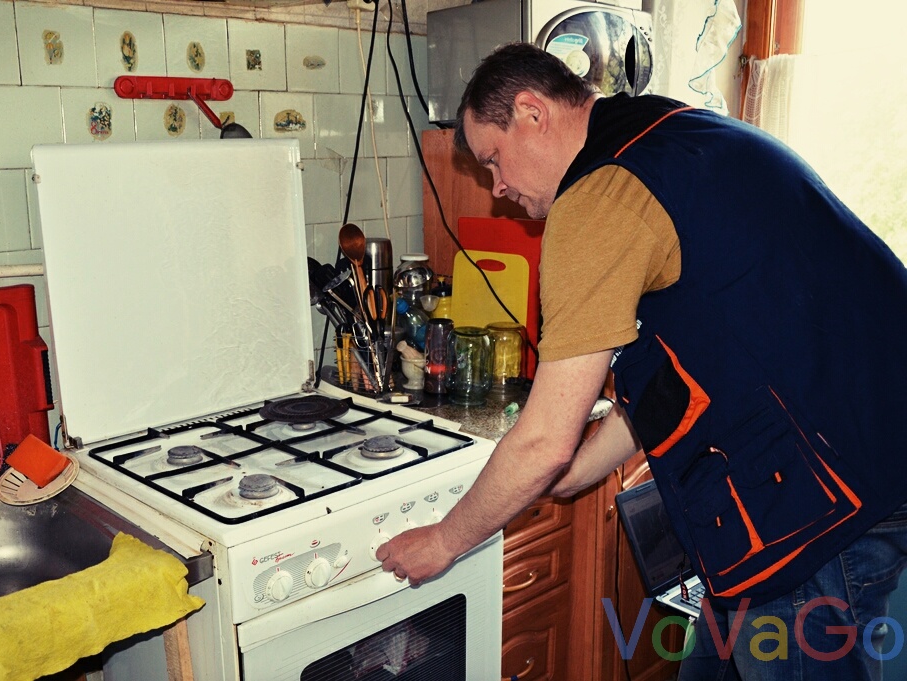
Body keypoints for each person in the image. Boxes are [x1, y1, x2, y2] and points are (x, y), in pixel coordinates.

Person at [375, 41, 907, 680]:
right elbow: (681, 366)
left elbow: (542, 440)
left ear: (532, 112)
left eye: (493, 160)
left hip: (816, 509)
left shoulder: (598, 198)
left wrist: (444, 541)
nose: (498, 187)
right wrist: (575, 471)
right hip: (855, 456)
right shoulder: (673, 133)